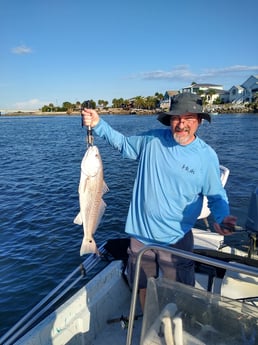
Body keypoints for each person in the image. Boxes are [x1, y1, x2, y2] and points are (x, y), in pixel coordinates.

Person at [81, 92, 237, 310]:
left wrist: (222, 218)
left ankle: (177, 326)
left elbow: (216, 196)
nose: (182, 124)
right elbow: (124, 144)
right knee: (143, 286)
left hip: (176, 238)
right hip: (140, 237)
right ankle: (150, 323)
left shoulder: (206, 156)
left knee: (180, 292)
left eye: (189, 118)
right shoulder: (152, 140)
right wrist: (98, 124)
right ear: (169, 120)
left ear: (199, 121)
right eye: (176, 118)